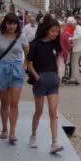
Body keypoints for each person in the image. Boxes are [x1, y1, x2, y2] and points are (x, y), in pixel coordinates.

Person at [0, 13, 29, 144]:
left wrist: (25, 65)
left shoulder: (21, 36)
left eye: (14, 24)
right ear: (5, 23)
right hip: (2, 68)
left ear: (18, 25)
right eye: (10, 23)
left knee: (14, 103)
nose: (12, 26)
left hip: (16, 69)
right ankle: (4, 128)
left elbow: (28, 53)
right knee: (4, 103)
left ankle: (12, 132)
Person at [27, 17, 64, 153]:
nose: (55, 34)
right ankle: (33, 135)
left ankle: (54, 142)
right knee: (39, 111)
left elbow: (59, 59)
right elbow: (29, 63)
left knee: (53, 112)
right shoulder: (35, 44)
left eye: (57, 32)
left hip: (53, 80)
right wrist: (37, 77)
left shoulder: (55, 44)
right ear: (46, 30)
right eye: (53, 31)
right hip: (40, 79)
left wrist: (59, 75)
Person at [67, 17, 81, 83]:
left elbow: (80, 36)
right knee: (73, 63)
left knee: (74, 63)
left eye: (71, 26)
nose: (71, 27)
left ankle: (75, 78)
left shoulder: (79, 28)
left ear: (73, 24)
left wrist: (71, 38)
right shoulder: (76, 28)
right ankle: (74, 77)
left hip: (78, 48)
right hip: (76, 48)